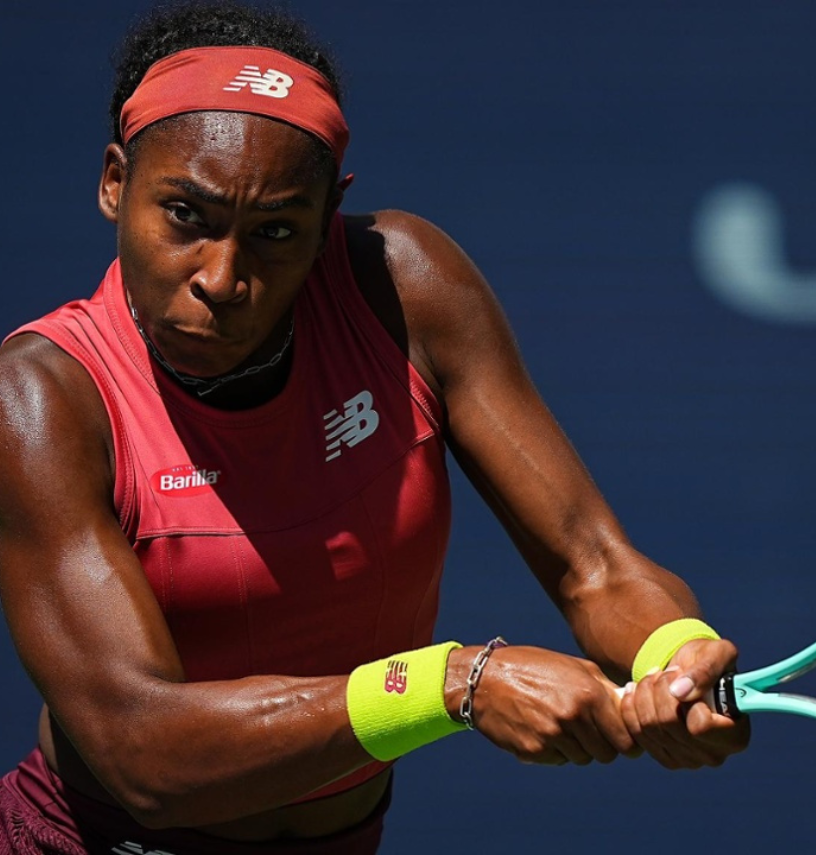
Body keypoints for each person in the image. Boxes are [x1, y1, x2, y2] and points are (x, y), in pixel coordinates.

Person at [0, 2, 748, 852]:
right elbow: (142, 753)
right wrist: (455, 682)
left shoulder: (405, 288)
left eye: (276, 231)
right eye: (186, 216)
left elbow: (594, 563)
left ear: (327, 221)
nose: (221, 275)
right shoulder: (40, 399)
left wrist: (676, 654)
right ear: (113, 183)